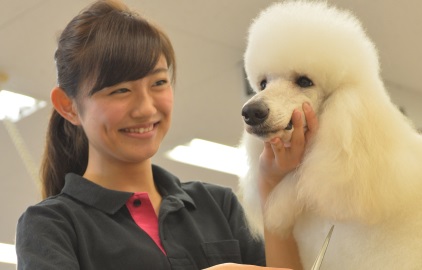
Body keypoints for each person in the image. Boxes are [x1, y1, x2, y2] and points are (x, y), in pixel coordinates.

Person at [15, 0, 317, 269]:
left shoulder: (217, 205)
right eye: (120, 90)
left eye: (158, 83)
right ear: (68, 106)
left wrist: (272, 185)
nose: (146, 109)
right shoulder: (51, 226)